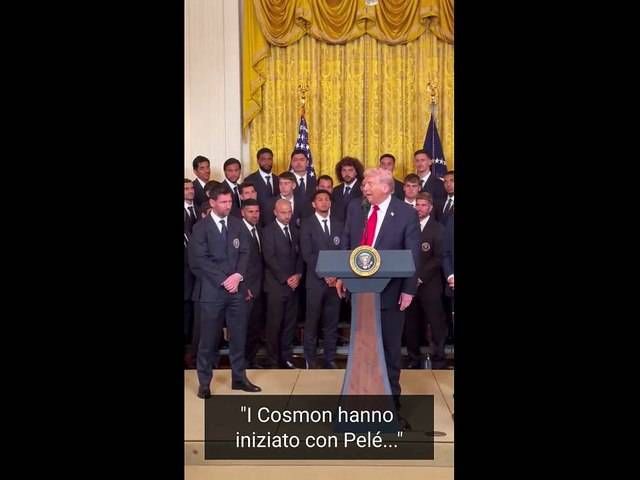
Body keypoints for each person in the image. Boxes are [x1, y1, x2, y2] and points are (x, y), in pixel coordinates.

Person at [337, 168, 420, 400]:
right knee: (362, 347)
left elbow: (413, 254)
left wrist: (409, 289)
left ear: (385, 187)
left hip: (391, 293)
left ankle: (391, 400)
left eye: (369, 183)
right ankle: (360, 396)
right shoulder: (356, 208)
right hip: (359, 292)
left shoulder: (406, 213)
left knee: (390, 348)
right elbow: (346, 242)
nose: (364, 187)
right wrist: (342, 275)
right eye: (364, 184)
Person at [188, 183, 261, 398]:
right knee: (208, 339)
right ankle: (204, 382)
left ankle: (239, 378)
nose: (228, 205)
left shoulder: (238, 224)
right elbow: (200, 260)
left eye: (230, 201)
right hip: (212, 293)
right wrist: (224, 280)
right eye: (223, 202)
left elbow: (246, 252)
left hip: (236, 291)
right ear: (212, 203)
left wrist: (238, 276)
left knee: (238, 337)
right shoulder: (200, 228)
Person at [299, 190, 343, 369]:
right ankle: (310, 359)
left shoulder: (339, 224)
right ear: (313, 204)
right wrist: (325, 274)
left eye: (326, 199)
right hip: (316, 281)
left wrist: (336, 275)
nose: (324, 202)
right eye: (320, 199)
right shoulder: (307, 224)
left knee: (332, 322)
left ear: (330, 203)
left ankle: (329, 358)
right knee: (312, 321)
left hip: (335, 283)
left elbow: (343, 252)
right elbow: (307, 254)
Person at [405, 192, 448, 369]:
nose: (419, 208)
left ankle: (439, 358)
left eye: (423, 205)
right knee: (411, 323)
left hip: (430, 284)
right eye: (417, 205)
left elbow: (439, 257)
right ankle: (413, 358)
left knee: (436, 322)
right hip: (409, 284)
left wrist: (420, 277)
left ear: (430, 208)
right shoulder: (408, 226)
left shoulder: (438, 229)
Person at [261, 198, 304, 368]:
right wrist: (287, 278)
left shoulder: (295, 231)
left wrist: (298, 275)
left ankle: (286, 357)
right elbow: (269, 258)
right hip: (276, 286)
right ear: (275, 212)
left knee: (289, 324)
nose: (287, 216)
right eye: (283, 213)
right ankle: (272, 360)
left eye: (289, 212)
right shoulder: (267, 231)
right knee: (274, 324)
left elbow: (300, 256)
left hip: (293, 286)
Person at [240, 198, 266, 369]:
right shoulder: (238, 231)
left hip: (260, 287)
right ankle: (241, 362)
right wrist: (244, 287)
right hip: (245, 289)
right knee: (243, 327)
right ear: (243, 212)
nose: (255, 215)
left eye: (257, 211)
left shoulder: (259, 230)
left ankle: (251, 359)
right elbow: (235, 262)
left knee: (255, 326)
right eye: (251, 212)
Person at [243, 147, 280, 216]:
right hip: (258, 219)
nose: (267, 162)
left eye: (269, 159)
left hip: (276, 219)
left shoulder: (278, 179)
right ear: (258, 161)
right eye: (263, 159)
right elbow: (247, 203)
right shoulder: (249, 179)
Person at [331, 156, 364, 222]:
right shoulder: (336, 190)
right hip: (338, 226)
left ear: (356, 172)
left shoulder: (363, 189)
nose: (347, 173)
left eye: (350, 170)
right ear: (340, 172)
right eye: (344, 170)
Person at [290, 148, 316, 219]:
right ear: (291, 163)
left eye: (302, 160)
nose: (298, 163)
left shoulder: (314, 181)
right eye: (295, 160)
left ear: (307, 163)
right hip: (291, 220)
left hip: (310, 220)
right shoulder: (285, 181)